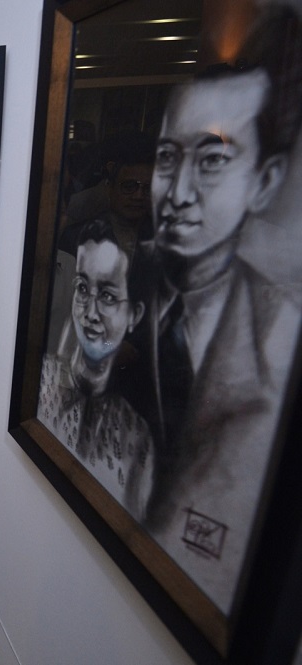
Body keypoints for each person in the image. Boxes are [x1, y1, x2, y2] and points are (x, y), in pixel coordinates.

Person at [133, 58, 302, 612]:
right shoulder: (122, 276)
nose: (178, 192)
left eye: (212, 160)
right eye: (166, 158)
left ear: (265, 181)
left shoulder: (280, 334)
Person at [38, 219, 153, 518]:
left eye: (107, 296)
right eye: (82, 289)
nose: (89, 312)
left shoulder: (135, 434)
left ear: (134, 315)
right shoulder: (39, 383)